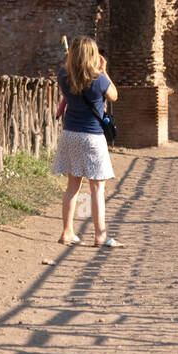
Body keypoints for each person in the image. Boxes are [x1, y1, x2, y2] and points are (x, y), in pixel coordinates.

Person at [52, 35, 122, 248]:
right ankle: (100, 235)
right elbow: (114, 95)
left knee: (72, 186)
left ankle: (67, 232)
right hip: (92, 137)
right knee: (97, 187)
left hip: (70, 133)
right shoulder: (99, 79)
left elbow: (70, 87)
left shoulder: (63, 76)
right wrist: (104, 69)